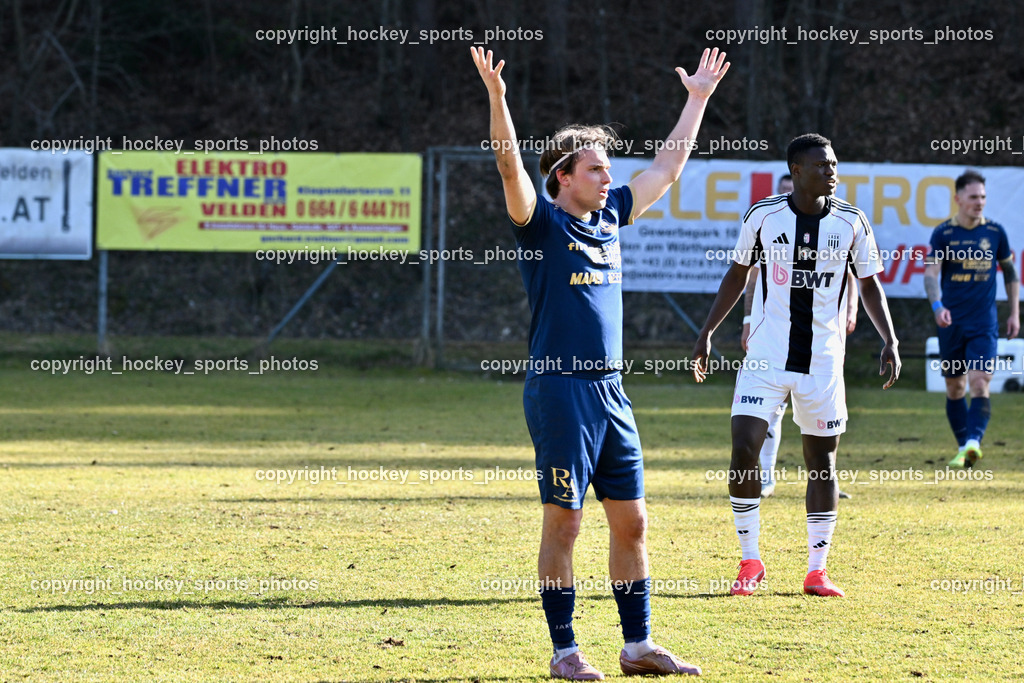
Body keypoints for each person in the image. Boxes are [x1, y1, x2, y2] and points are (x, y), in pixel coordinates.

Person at [471, 45, 728, 679]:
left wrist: (695, 99)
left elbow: (667, 170)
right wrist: (499, 100)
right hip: (560, 391)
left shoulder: (611, 216)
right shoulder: (540, 225)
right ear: (562, 175)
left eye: (609, 169)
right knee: (565, 523)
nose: (609, 178)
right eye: (596, 169)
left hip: (613, 394)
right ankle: (565, 652)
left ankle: (637, 646)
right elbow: (509, 170)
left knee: (633, 522)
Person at [692, 134, 900, 599]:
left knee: (820, 462)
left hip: (822, 362)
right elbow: (738, 273)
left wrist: (890, 338)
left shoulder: (851, 221)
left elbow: (869, 284)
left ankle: (817, 570)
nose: (832, 171)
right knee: (744, 446)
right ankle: (750, 561)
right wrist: (707, 332)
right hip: (765, 358)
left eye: (834, 163)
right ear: (797, 170)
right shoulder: (763, 216)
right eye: (822, 165)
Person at [740, 174, 856, 500]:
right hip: (773, 336)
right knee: (769, 409)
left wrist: (851, 310)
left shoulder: (836, 225)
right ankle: (764, 476)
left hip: (823, 336)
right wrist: (748, 320)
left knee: (830, 408)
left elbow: (852, 274)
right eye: (784, 191)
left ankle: (827, 476)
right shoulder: (768, 223)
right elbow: (749, 277)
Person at [924, 170, 1019, 468]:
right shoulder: (943, 234)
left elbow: (1011, 274)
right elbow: (930, 274)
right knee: (956, 388)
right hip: (951, 324)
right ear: (958, 199)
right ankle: (965, 445)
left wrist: (1014, 312)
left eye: (983, 197)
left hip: (984, 324)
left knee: (980, 383)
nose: (980, 203)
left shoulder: (995, 232)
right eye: (974, 197)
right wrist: (938, 306)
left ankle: (974, 442)